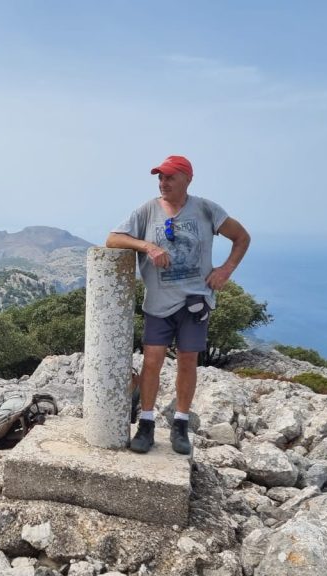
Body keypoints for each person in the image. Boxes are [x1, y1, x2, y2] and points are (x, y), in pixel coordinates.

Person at [106, 155, 250, 455]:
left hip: (195, 302)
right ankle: (146, 424)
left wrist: (225, 271)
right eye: (160, 177)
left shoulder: (207, 210)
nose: (163, 182)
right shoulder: (147, 210)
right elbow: (113, 239)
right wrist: (147, 246)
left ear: (187, 179)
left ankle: (181, 424)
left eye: (170, 177)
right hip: (159, 303)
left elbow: (241, 237)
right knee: (152, 361)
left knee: (188, 361)